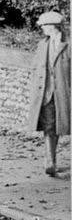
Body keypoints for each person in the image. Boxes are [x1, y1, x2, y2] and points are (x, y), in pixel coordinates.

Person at [25, 11, 70, 176]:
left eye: (44, 26)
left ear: (53, 26)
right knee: (49, 127)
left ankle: (51, 161)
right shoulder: (42, 44)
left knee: (59, 128)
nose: (42, 28)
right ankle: (50, 162)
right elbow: (35, 68)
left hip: (64, 94)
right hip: (46, 93)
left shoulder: (68, 44)